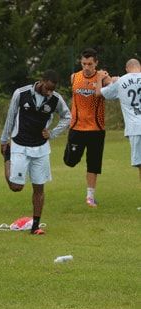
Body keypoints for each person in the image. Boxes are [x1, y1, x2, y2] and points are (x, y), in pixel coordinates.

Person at [0, 70, 71, 235]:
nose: (49, 92)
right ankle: (7, 157)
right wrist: (4, 140)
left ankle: (35, 226)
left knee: (39, 187)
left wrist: (52, 133)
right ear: (41, 81)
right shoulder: (21, 93)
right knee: (15, 187)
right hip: (20, 145)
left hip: (41, 148)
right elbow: (10, 117)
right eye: (48, 88)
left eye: (52, 89)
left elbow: (68, 116)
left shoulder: (55, 99)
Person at [63, 48, 112, 207]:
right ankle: (71, 152)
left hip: (96, 129)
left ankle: (90, 196)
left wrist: (108, 78)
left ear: (96, 63)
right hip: (76, 127)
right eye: (84, 63)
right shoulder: (74, 77)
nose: (86, 67)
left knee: (93, 164)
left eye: (90, 64)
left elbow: (113, 84)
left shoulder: (103, 78)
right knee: (70, 161)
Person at [96, 58, 141, 180]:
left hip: (135, 128)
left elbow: (99, 94)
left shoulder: (121, 81)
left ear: (127, 69)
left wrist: (100, 79)